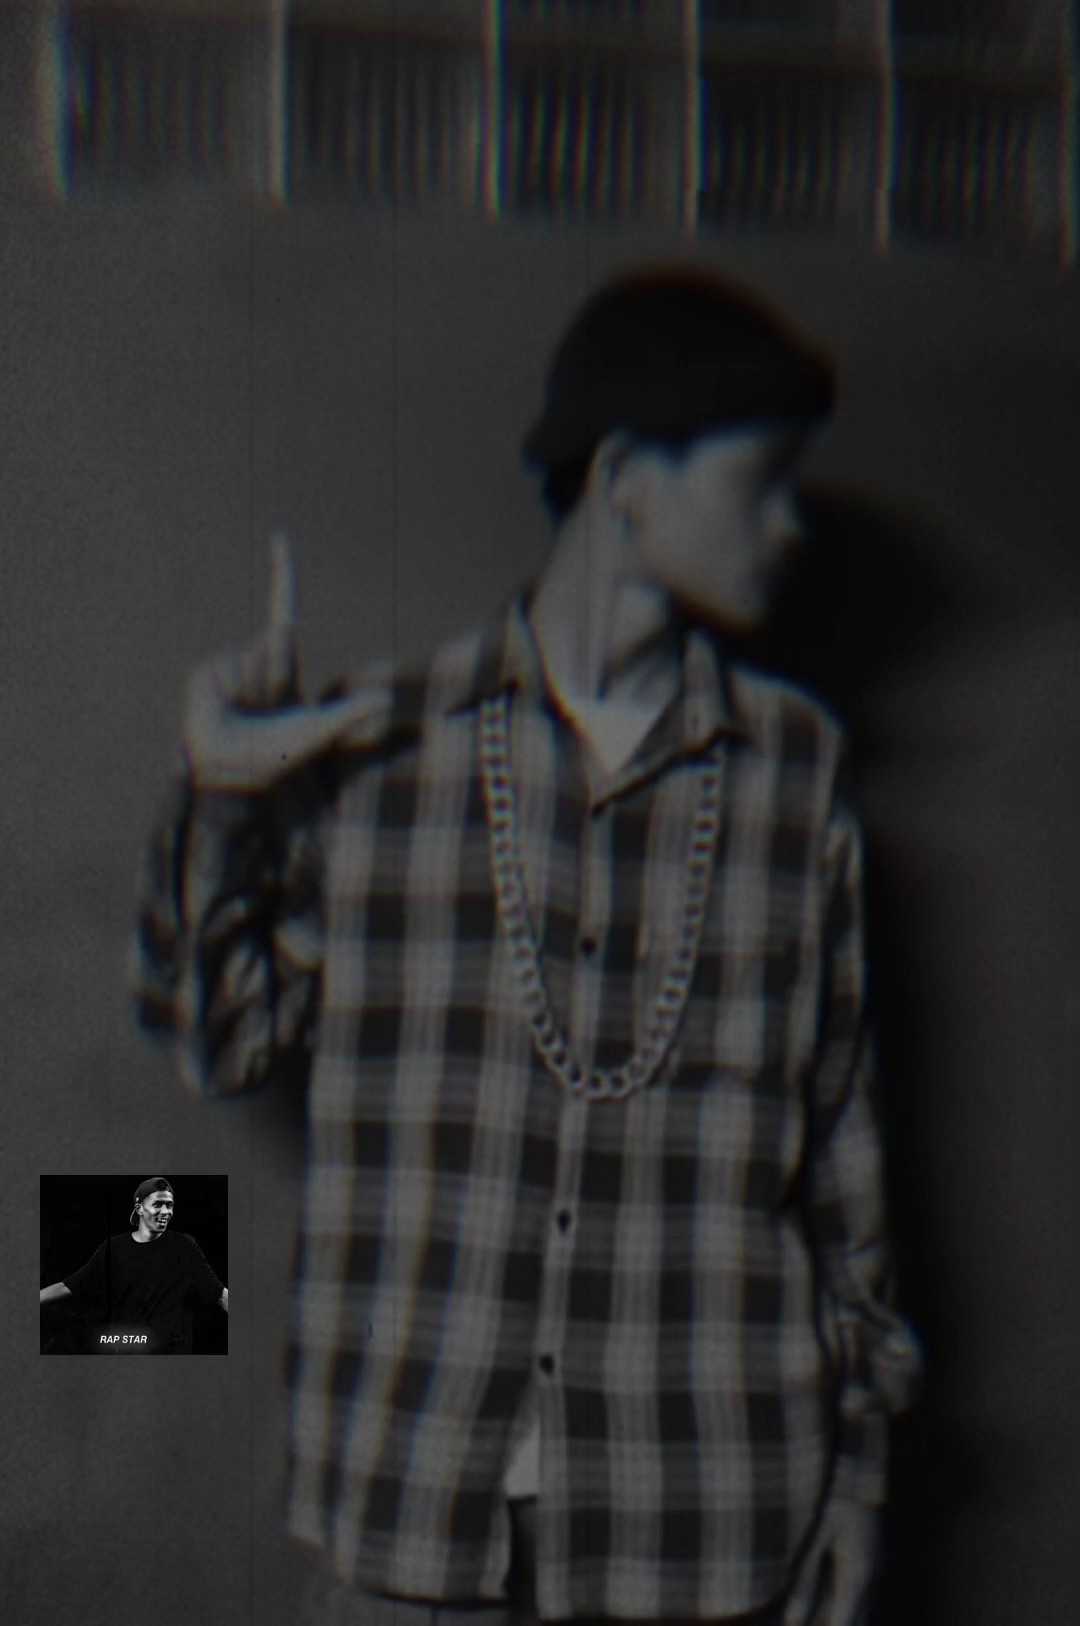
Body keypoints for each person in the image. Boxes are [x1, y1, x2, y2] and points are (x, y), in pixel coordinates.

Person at [132, 266, 922, 1623]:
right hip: (410, 1514)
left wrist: (859, 1469)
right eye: (760, 482)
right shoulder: (381, 745)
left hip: (706, 1525)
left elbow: (843, 1146)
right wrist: (220, 797)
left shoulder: (799, 773)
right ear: (625, 478)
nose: (790, 525)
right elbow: (217, 1039)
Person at [39, 1176, 228, 1353]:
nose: (165, 1212)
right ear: (139, 1209)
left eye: (169, 1205)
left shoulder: (184, 1247)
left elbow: (218, 1294)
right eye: (158, 1204)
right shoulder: (113, 1249)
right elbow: (70, 1286)